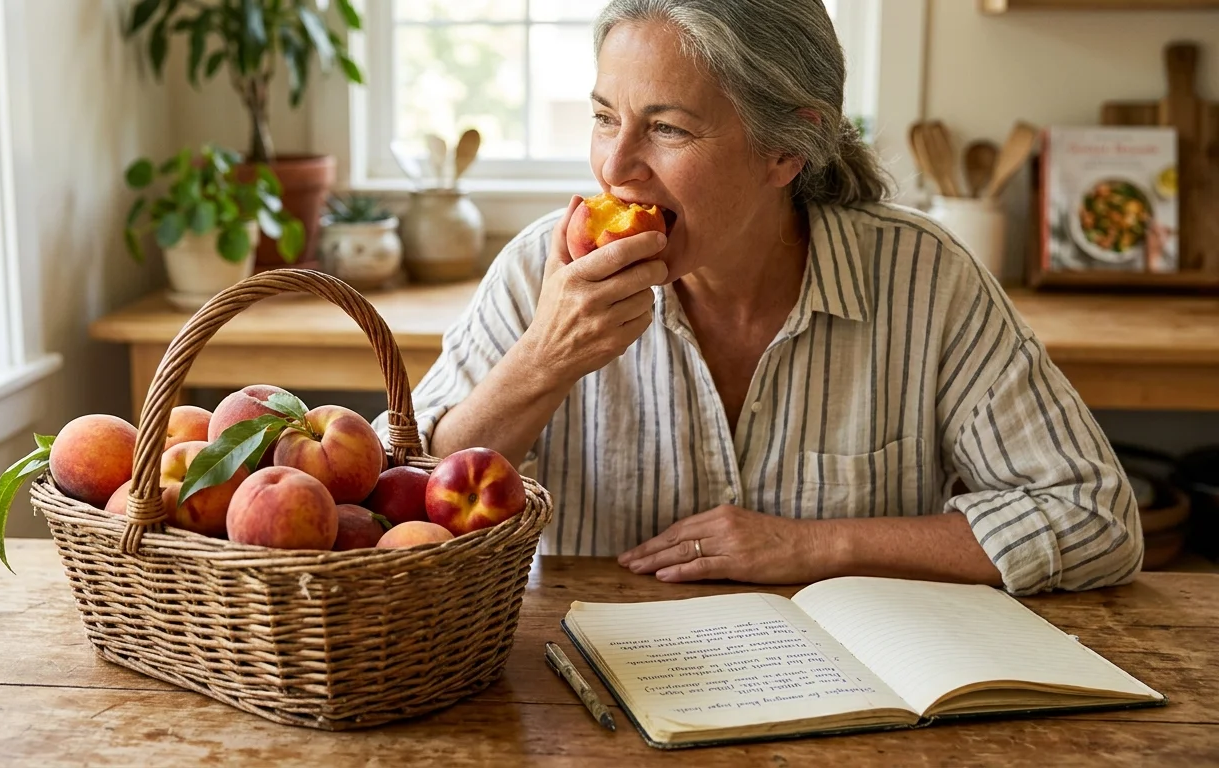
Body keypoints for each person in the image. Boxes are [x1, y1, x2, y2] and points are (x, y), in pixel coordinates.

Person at [374, 0, 1140, 595]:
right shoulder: (536, 273)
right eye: (605, 117)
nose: (615, 168)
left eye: (666, 128)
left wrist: (814, 546)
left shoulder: (927, 279)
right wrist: (541, 361)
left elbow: (1096, 518)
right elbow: (394, 507)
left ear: (787, 148)